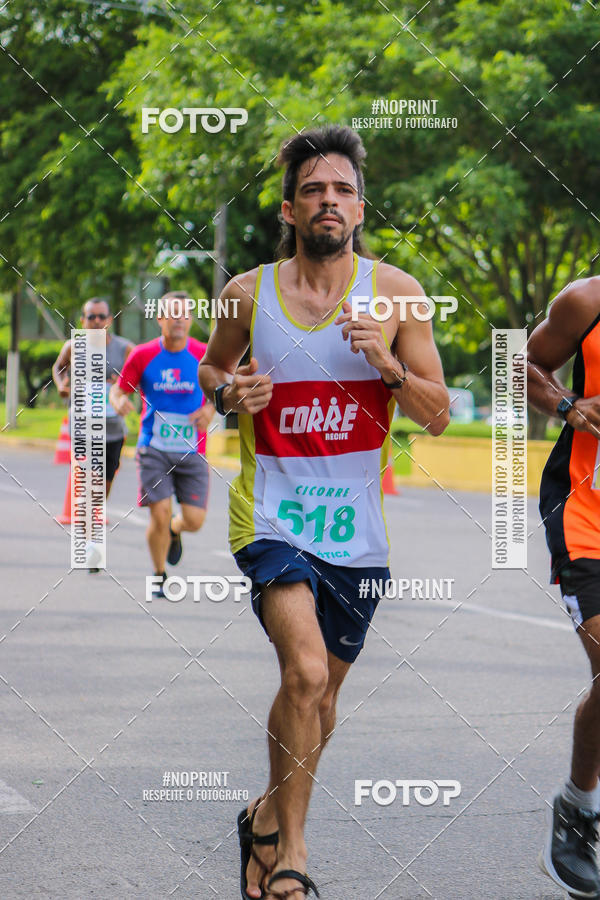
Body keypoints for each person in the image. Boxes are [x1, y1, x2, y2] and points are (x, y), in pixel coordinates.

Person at [198, 125, 450, 900]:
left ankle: (264, 814)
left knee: (321, 699)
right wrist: (226, 392)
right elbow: (213, 369)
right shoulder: (248, 292)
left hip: (357, 533)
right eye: (313, 190)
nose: (328, 201)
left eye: (341, 190)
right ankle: (293, 857)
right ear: (289, 208)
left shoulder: (399, 294)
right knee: (304, 671)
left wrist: (387, 364)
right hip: (270, 515)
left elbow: (437, 412)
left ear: (361, 208)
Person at [528, 277, 600, 898]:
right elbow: (518, 363)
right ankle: (579, 807)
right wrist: (568, 406)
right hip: (587, 514)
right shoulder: (586, 302)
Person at [109, 292, 214, 598]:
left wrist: (209, 409)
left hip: (193, 447)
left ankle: (175, 530)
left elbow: (219, 393)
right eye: (172, 313)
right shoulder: (142, 355)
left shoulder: (204, 354)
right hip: (152, 446)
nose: (179, 319)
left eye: (184, 313)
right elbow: (120, 390)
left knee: (194, 520)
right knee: (160, 511)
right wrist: (118, 402)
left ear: (191, 319)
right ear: (160, 318)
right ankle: (158, 575)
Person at [52, 297, 134, 571]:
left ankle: (90, 529)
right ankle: (90, 544)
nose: (97, 322)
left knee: (102, 488)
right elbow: (59, 367)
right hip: (83, 427)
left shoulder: (124, 348)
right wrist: (62, 384)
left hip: (113, 430)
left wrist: (122, 389)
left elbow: (136, 377)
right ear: (83, 320)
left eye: (102, 317)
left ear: (110, 319)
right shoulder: (73, 346)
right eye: (91, 317)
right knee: (88, 485)